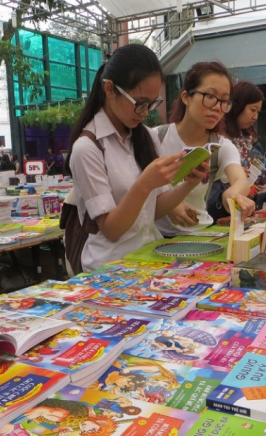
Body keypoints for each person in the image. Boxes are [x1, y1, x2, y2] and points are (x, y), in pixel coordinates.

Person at [65, 44, 210, 272]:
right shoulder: (88, 148)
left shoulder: (146, 137)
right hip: (109, 270)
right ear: (110, 89)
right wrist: (144, 184)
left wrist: (189, 182)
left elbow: (155, 210)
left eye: (153, 103)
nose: (146, 111)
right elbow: (111, 229)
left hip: (148, 259)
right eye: (140, 103)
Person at [155, 62, 255, 236]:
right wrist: (170, 205)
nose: (217, 107)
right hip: (155, 239)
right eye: (210, 96)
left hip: (200, 235)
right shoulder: (156, 137)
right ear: (186, 97)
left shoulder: (221, 146)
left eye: (224, 101)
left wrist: (232, 194)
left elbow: (240, 180)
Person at [223, 81, 266, 210]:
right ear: (238, 105)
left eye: (258, 112)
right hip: (219, 208)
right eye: (252, 110)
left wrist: (253, 186)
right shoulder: (219, 137)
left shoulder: (246, 138)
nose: (255, 116)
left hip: (239, 207)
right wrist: (235, 175)